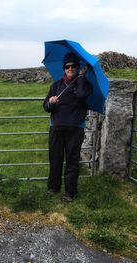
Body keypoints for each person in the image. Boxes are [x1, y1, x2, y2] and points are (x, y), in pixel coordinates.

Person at [43, 52, 92, 202]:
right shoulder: (56, 86)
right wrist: (51, 102)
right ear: (64, 68)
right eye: (67, 66)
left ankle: (70, 192)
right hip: (56, 128)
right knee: (55, 159)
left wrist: (82, 78)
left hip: (75, 129)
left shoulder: (84, 84)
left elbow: (83, 95)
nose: (70, 68)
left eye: (73, 66)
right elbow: (45, 107)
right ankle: (53, 188)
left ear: (78, 67)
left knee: (72, 161)